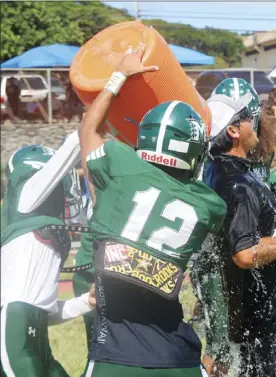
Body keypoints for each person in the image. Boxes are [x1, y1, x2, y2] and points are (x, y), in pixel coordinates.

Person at [78, 43, 226, 377]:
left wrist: (120, 76)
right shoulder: (208, 203)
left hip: (115, 354)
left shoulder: (119, 164)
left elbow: (89, 129)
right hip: (178, 356)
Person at [204, 89, 276, 377]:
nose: (256, 122)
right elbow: (244, 253)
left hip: (252, 311)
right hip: (272, 319)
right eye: (250, 118)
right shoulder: (237, 182)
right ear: (234, 130)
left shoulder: (217, 169)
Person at [1, 137, 96, 377]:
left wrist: (87, 301)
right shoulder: (26, 203)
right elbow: (75, 142)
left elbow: (44, 312)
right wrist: (90, 127)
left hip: (35, 340)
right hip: (14, 337)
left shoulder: (41, 236)